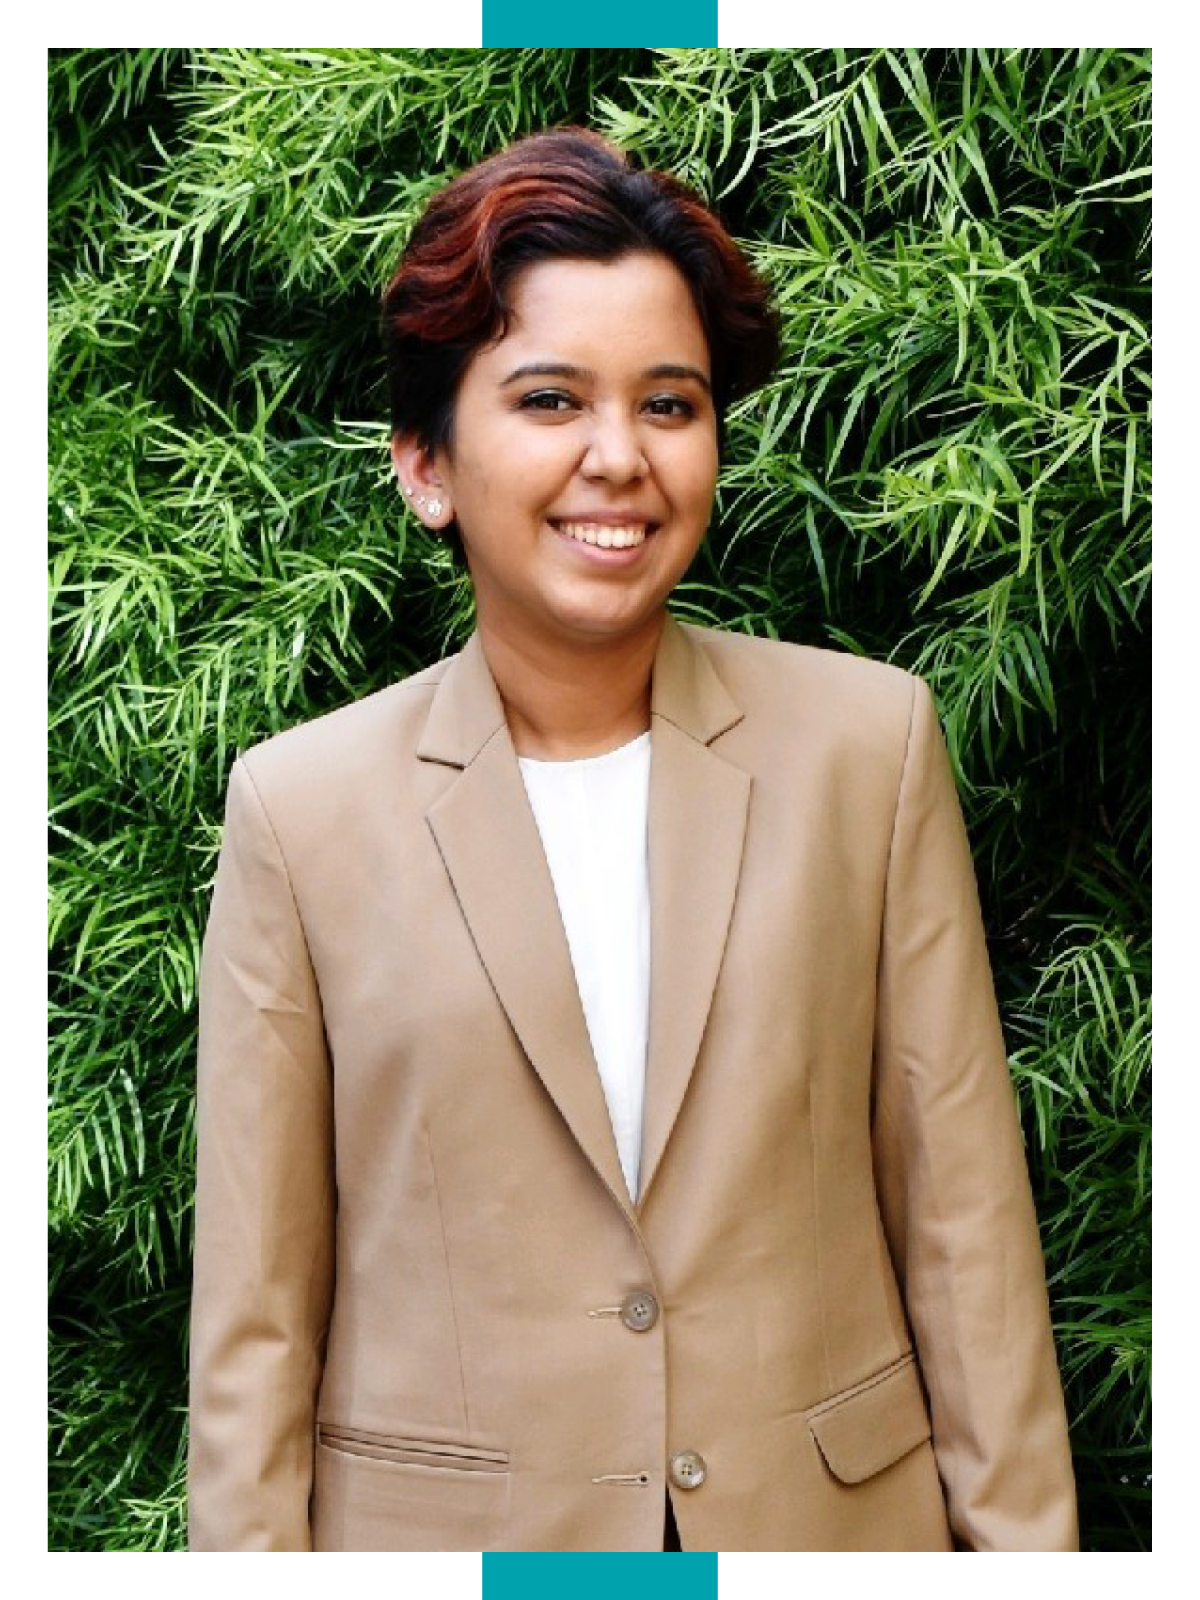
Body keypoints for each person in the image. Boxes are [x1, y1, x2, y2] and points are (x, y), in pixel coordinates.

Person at [187, 127, 1078, 1553]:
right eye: (550, 400)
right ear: (426, 463)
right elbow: (255, 1327)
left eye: (671, 405)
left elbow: (966, 1239)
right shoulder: (302, 810)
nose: (620, 458)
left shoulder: (869, 750)